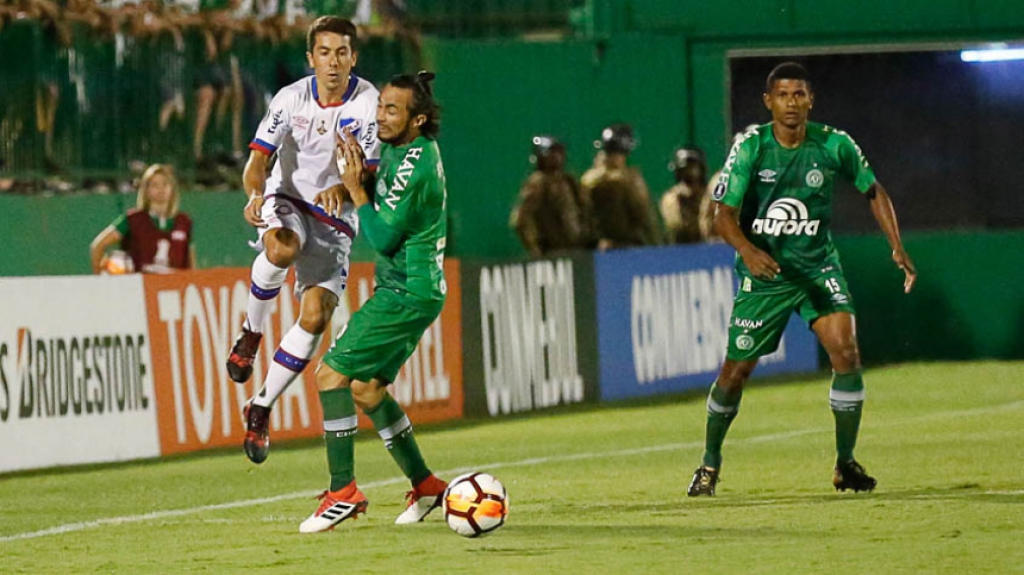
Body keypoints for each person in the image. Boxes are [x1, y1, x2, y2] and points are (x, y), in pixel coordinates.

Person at [686, 62, 917, 497]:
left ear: (811, 100)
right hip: (767, 275)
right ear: (768, 101)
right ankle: (709, 463)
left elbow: (873, 190)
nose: (791, 103)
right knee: (735, 373)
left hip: (817, 268)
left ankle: (845, 463)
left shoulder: (834, 144)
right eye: (782, 95)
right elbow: (722, 215)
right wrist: (748, 250)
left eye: (798, 95)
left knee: (846, 351)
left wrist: (897, 246)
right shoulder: (752, 147)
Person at [225, 16, 380, 465]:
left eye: (342, 53)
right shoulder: (291, 98)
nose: (333, 63)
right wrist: (255, 194)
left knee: (315, 317)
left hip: (336, 217)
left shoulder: (367, 103)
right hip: (287, 198)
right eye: (324, 53)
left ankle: (260, 406)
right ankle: (251, 333)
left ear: (353, 58)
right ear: (311, 58)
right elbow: (257, 161)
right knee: (281, 247)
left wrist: (344, 191)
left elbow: (371, 173)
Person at [298, 70, 449, 533]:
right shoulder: (409, 148)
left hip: (406, 290)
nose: (380, 116)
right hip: (415, 290)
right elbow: (385, 178)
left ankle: (342, 491)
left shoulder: (415, 165)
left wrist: (355, 188)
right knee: (366, 389)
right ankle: (426, 486)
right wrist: (354, 181)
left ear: (417, 119)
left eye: (392, 110)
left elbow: (382, 238)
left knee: (330, 375)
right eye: (380, 105)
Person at [89, 163, 194, 274]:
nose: (161, 189)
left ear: (172, 189)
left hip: (174, 283)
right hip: (139, 283)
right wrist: (99, 278)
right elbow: (97, 246)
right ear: (146, 190)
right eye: (155, 185)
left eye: (165, 184)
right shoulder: (133, 219)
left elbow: (191, 263)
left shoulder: (184, 222)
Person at [579, 123, 659, 250]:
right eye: (613, 152)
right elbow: (587, 216)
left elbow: (647, 218)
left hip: (635, 246)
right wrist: (597, 241)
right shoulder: (593, 180)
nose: (617, 157)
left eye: (620, 153)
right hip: (607, 248)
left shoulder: (631, 178)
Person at [509, 135, 583, 257]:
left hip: (578, 251)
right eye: (551, 153)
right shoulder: (537, 183)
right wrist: (535, 249)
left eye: (559, 152)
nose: (557, 157)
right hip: (553, 252)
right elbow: (521, 220)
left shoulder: (568, 180)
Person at [659, 146, 708, 244]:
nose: (690, 173)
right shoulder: (672, 199)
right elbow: (675, 228)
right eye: (684, 170)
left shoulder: (710, 195)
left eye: (693, 168)